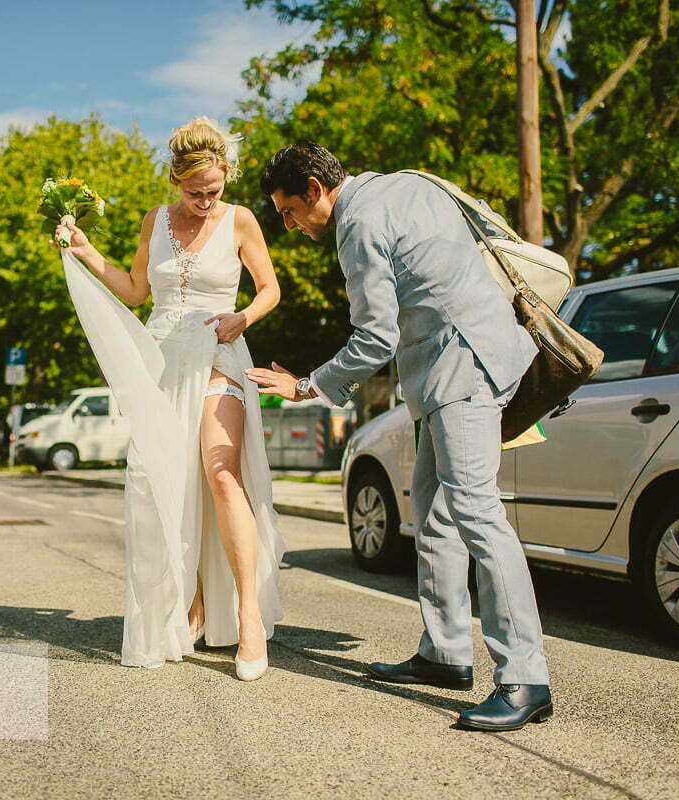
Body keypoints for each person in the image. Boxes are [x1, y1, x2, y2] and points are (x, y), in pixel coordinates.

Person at [246, 142, 554, 729]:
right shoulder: (405, 182)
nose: (287, 226)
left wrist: (307, 386)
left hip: (463, 370)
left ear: (314, 188)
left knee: (477, 514)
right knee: (435, 515)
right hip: (462, 363)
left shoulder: (357, 224)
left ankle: (525, 677)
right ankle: (444, 653)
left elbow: (375, 338)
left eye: (287, 211)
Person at [54, 118, 285, 680]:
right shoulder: (154, 221)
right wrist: (86, 251)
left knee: (219, 470)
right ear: (175, 182)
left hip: (217, 350)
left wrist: (244, 317)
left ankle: (247, 617)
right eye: (195, 192)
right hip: (160, 358)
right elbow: (136, 291)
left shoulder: (241, 220)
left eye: (216, 189)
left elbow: (270, 289)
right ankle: (195, 603)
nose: (207, 201)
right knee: (170, 483)